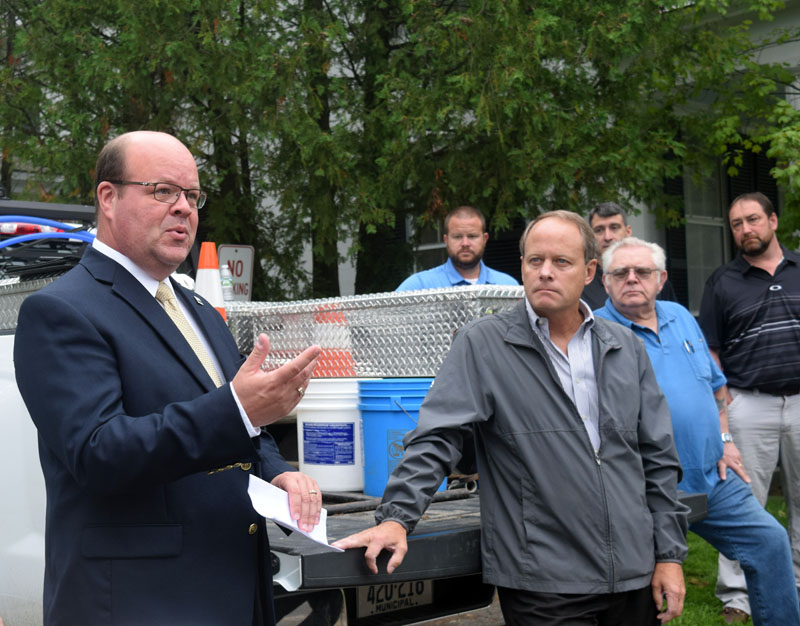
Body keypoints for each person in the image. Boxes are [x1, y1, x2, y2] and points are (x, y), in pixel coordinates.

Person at [14, 131, 322, 626]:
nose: (184, 209)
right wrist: (240, 410)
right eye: (163, 191)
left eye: (192, 196)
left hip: (234, 591)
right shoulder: (60, 311)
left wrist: (276, 471)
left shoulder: (198, 309)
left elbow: (239, 427)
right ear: (108, 198)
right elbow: (98, 452)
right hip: (138, 603)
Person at [335, 210, 689, 625]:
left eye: (562, 262)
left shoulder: (624, 347)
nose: (545, 272)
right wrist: (396, 518)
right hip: (544, 582)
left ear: (590, 271)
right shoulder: (484, 345)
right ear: (521, 266)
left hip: (634, 573)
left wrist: (669, 556)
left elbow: (658, 459)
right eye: (534, 261)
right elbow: (436, 439)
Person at [596, 237, 800, 626]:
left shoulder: (679, 316)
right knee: (641, 594)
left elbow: (714, 385)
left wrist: (725, 439)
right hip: (644, 491)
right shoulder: (597, 334)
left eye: (643, 272)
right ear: (605, 282)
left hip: (712, 477)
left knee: (770, 542)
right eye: (620, 273)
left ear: (661, 279)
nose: (632, 279)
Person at [699, 191, 800, 623]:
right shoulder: (722, 281)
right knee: (743, 501)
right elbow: (711, 350)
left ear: (773, 221)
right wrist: (726, 399)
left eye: (753, 220)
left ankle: (793, 582)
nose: (745, 230)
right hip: (749, 403)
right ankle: (737, 596)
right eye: (737, 223)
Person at [395, 205, 518, 290]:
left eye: (472, 236)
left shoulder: (508, 286)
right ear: (446, 240)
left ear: (485, 239)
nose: (465, 243)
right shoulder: (419, 286)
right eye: (458, 237)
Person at [582, 202, 677, 308]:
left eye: (614, 228)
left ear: (628, 231)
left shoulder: (653, 274)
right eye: (599, 230)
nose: (607, 237)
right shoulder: (582, 282)